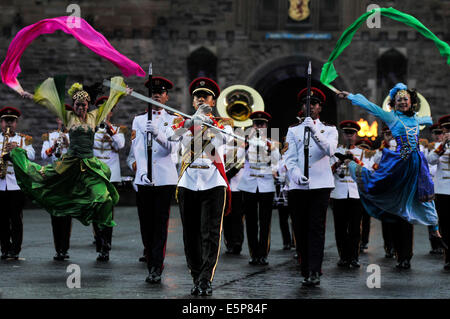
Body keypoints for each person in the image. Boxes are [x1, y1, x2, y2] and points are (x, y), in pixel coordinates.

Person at [7, 76, 130, 245]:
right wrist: (29, 95)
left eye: (83, 105)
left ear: (88, 105)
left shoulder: (95, 116)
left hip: (89, 165)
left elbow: (109, 103)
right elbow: (48, 103)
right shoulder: (68, 116)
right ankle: (17, 156)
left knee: (104, 198)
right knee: (40, 176)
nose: (80, 107)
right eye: (77, 105)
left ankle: (102, 237)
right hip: (70, 163)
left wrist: (122, 93)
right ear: (74, 105)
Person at [338, 83, 445, 270]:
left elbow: (427, 120)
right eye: (399, 99)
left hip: (417, 163)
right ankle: (352, 165)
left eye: (405, 98)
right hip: (401, 162)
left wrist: (427, 120)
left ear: (411, 101)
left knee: (426, 194)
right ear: (394, 104)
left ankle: (434, 229)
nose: (403, 101)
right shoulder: (392, 117)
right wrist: (350, 96)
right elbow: (370, 106)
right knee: (378, 184)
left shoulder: (415, 118)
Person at [172, 77, 232, 296]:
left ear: (212, 102)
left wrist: (207, 122)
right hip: (188, 181)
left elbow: (224, 141)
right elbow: (171, 140)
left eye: (205, 97)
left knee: (210, 233)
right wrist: (190, 123)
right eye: (197, 97)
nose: (200, 99)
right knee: (190, 234)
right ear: (193, 101)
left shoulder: (223, 123)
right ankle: (196, 275)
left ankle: (206, 278)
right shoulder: (182, 122)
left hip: (213, 181)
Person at [285, 87, 338, 287]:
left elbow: (330, 150)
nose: (310, 107)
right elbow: (289, 159)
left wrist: (314, 131)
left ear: (319, 108)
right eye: (307, 103)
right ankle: (305, 268)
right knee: (300, 228)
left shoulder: (330, 129)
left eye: (314, 104)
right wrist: (296, 174)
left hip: (321, 185)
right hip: (299, 186)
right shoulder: (293, 130)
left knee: (316, 228)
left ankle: (315, 269)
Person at [131, 76, 178, 283]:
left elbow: (173, 148)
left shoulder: (175, 120)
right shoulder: (138, 120)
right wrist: (140, 173)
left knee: (160, 225)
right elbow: (138, 150)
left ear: (166, 97)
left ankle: (156, 267)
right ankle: (150, 260)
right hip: (145, 179)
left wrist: (158, 134)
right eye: (153, 92)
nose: (156, 95)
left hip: (165, 180)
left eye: (160, 92)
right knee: (145, 225)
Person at [237, 111, 280, 266]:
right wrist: (245, 145)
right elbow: (238, 158)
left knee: (265, 221)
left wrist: (270, 149)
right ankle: (253, 253)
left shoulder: (272, 143)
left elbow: (277, 162)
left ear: (266, 126)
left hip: (266, 185)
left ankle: (263, 253)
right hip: (249, 185)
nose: (259, 127)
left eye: (262, 124)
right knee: (251, 221)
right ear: (253, 126)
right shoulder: (245, 140)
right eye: (256, 124)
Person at [91, 96, 127, 261]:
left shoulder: (118, 130)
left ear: (111, 113)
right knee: (96, 209)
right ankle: (99, 242)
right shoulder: (90, 129)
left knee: (108, 210)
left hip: (111, 175)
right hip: (95, 173)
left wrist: (110, 130)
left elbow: (120, 145)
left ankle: (106, 243)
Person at [0, 107, 35, 260]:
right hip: (0, 185)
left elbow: (32, 156)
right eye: (6, 121)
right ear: (1, 122)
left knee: (16, 219)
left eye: (12, 121)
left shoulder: (22, 140)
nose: (9, 124)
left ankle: (15, 250)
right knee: (1, 219)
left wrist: (18, 149)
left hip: (16, 185)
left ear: (16, 123)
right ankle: (4, 248)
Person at [330, 120, 365, 268]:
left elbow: (365, 172)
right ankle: (343, 256)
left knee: (355, 228)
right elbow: (328, 171)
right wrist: (339, 162)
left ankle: (354, 257)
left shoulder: (362, 152)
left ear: (356, 135)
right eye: (347, 133)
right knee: (340, 227)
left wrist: (354, 160)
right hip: (339, 193)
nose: (349, 136)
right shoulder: (335, 151)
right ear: (343, 135)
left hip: (355, 194)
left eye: (352, 133)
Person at [40, 117, 72, 261]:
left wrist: (68, 143)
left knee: (67, 215)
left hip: (68, 178)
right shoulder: (50, 136)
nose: (63, 121)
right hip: (54, 178)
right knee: (55, 214)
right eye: (61, 118)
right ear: (58, 120)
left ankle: (64, 248)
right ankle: (57, 248)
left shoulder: (74, 135)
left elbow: (80, 154)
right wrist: (53, 147)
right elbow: (43, 156)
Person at [427, 114, 450, 270]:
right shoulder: (438, 146)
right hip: (442, 190)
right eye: (446, 130)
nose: (448, 132)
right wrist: (443, 146)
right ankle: (448, 257)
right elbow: (431, 160)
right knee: (445, 226)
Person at [372, 126, 397, 258]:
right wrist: (385, 144)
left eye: (392, 133)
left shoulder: (402, 145)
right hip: (387, 189)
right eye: (387, 133)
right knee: (386, 220)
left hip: (399, 188)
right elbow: (376, 161)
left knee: (401, 220)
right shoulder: (382, 148)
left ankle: (400, 249)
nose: (390, 135)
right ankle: (389, 247)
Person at [223, 128, 245, 256]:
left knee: (237, 216)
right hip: (225, 186)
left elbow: (241, 163)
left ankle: (237, 242)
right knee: (226, 216)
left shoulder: (241, 148)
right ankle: (229, 242)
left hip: (237, 186)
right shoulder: (224, 147)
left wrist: (229, 174)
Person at [354, 138, 375, 252]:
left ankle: (364, 241)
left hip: (366, 193)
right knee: (356, 219)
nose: (363, 150)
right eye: (361, 148)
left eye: (366, 149)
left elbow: (369, 170)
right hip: (355, 192)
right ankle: (357, 240)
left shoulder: (372, 160)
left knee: (366, 219)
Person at [275, 139, 295, 251]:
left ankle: (294, 241)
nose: (286, 149)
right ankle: (286, 241)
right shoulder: (279, 159)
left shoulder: (294, 158)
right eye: (285, 146)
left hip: (292, 190)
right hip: (281, 191)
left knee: (294, 218)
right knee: (283, 218)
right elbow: (275, 171)